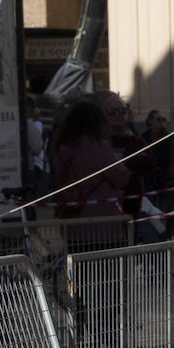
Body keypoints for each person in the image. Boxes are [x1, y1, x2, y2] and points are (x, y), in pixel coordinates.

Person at [51, 100, 131, 251]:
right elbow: (121, 177)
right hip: (103, 226)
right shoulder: (99, 146)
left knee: (79, 272)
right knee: (108, 272)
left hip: (72, 224)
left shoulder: (62, 148)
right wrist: (118, 160)